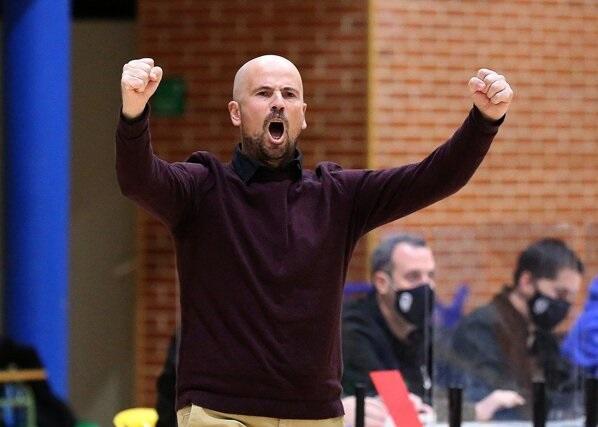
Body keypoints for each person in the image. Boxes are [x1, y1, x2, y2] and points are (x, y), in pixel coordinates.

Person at [116, 55, 513, 426]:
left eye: (289, 95)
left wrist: (485, 120)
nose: (278, 103)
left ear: (303, 115)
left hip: (314, 413)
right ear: (236, 113)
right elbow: (139, 180)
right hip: (218, 411)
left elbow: (433, 177)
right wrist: (134, 114)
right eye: (263, 93)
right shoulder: (202, 188)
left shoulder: (337, 195)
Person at [451, 238, 584, 421]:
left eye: (570, 298)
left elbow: (565, 385)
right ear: (527, 281)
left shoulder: (539, 333)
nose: (564, 305)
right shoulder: (482, 328)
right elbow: (494, 397)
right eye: (560, 294)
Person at [341, 233, 436, 426]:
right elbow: (396, 407)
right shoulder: (353, 329)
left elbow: (440, 392)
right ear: (382, 282)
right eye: (413, 276)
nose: (426, 286)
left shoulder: (422, 330)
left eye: (430, 276)